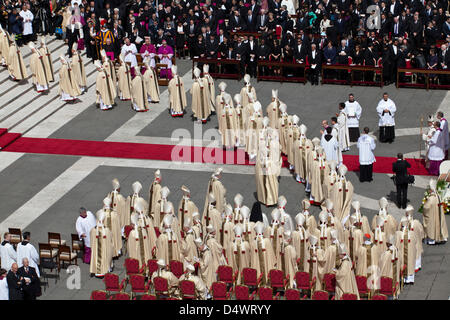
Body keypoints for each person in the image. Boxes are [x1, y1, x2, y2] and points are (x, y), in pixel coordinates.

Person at [422, 179, 448, 245]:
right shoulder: (438, 195)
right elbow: (440, 204)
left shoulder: (431, 198)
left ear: (431, 189)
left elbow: (426, 207)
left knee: (431, 226)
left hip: (432, 215)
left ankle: (431, 240)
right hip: (438, 213)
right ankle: (441, 237)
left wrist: (424, 206)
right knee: (439, 224)